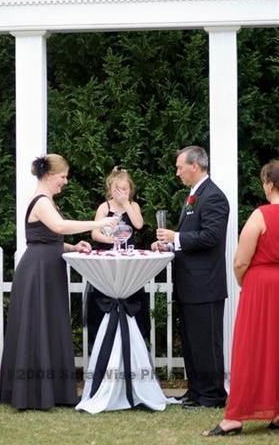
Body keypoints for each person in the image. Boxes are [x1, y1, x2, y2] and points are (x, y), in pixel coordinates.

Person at [0, 154, 117, 410]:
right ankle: (33, 393)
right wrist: (99, 223)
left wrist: (74, 246)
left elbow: (49, 238)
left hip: (48, 269)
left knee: (48, 325)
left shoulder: (47, 201)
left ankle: (51, 391)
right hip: (37, 272)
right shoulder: (41, 201)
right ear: (50, 175)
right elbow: (59, 227)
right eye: (63, 176)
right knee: (36, 326)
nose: (65, 181)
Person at [203, 160, 279, 436]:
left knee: (251, 348)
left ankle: (235, 418)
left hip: (260, 287)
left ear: (269, 184)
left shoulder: (261, 215)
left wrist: (243, 282)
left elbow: (240, 261)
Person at [152, 145, 229, 408]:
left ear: (195, 166)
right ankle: (196, 391)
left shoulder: (214, 196)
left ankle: (213, 394)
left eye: (179, 167)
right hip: (190, 284)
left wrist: (177, 237)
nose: (177, 173)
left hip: (205, 285)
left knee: (206, 342)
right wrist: (170, 245)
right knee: (192, 341)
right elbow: (192, 240)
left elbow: (212, 236)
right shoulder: (195, 195)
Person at [86, 166, 150, 344]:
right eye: (117, 189)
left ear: (131, 190)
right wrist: (112, 241)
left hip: (128, 259)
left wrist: (126, 204)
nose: (121, 193)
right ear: (110, 189)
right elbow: (95, 233)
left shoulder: (133, 205)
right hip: (108, 257)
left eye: (125, 189)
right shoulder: (104, 207)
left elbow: (138, 224)